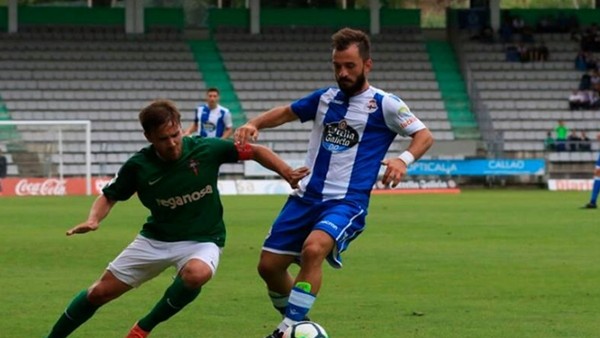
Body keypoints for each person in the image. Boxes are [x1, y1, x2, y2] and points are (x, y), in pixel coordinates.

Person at [45, 99, 309, 338]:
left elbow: (255, 151)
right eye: (163, 139)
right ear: (148, 136)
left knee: (197, 274)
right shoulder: (138, 166)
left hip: (203, 239)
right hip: (156, 239)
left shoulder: (206, 149)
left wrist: (286, 172)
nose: (172, 143)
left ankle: (142, 328)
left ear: (181, 128)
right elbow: (110, 195)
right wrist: (94, 220)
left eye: (175, 135)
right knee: (99, 293)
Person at [234, 27, 434, 338]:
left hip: (346, 201)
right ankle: (302, 323)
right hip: (305, 197)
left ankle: (287, 329)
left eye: (350, 65)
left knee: (314, 250)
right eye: (337, 65)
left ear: (367, 65)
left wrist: (402, 160)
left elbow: (424, 135)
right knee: (269, 267)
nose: (342, 72)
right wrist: (254, 122)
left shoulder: (386, 104)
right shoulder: (324, 98)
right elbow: (287, 112)